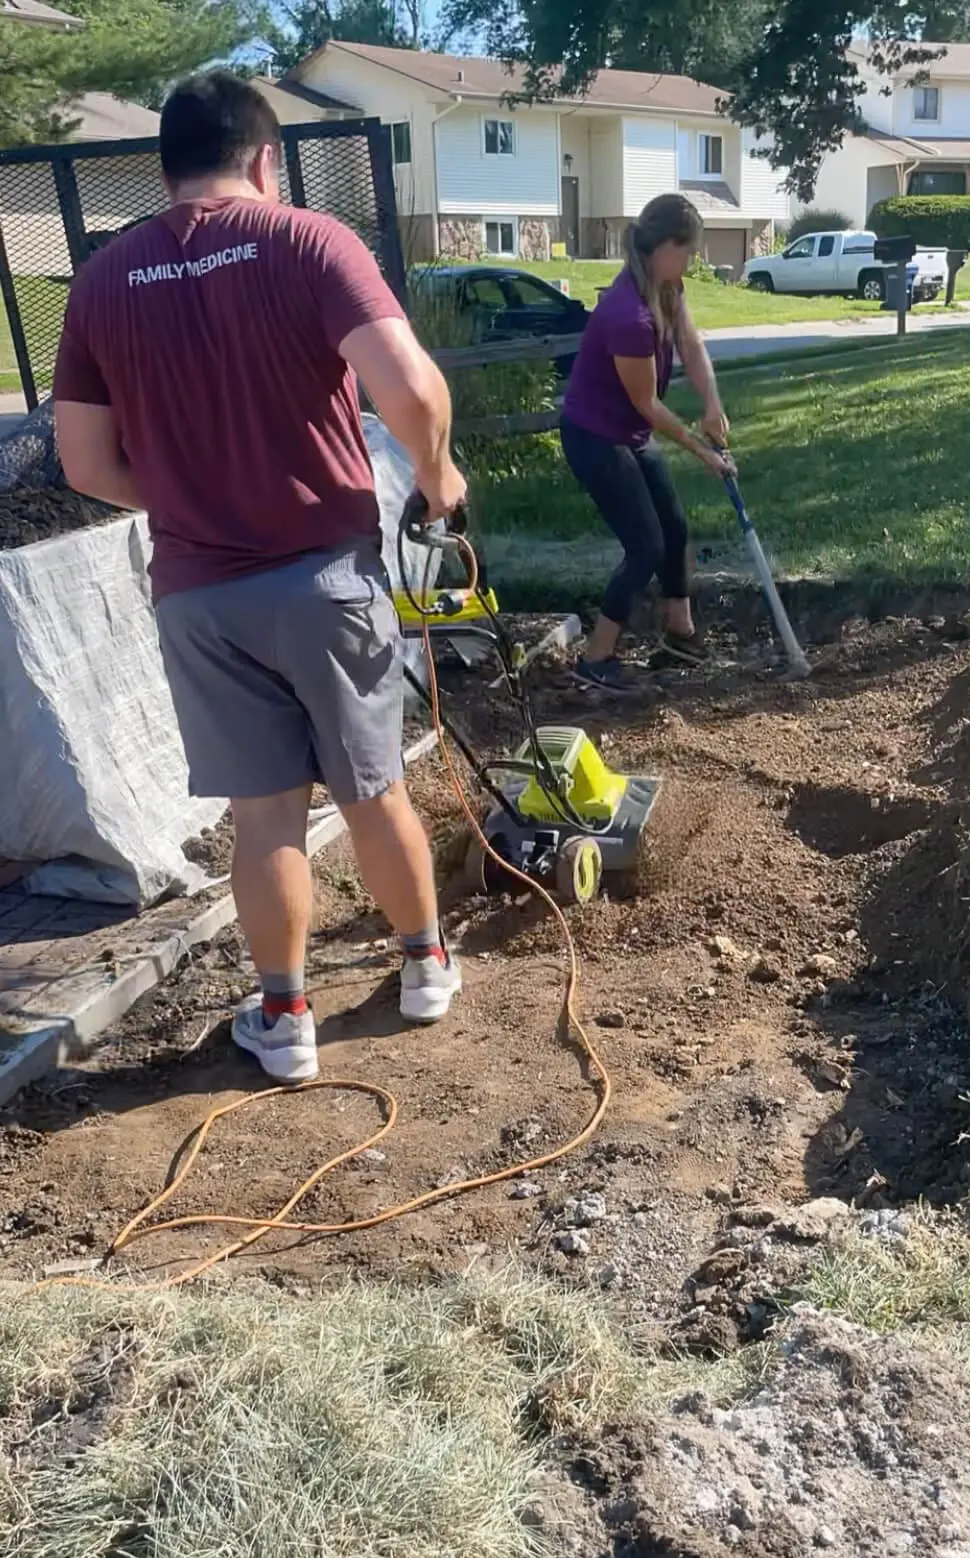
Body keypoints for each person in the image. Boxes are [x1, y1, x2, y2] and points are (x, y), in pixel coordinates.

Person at [53, 72, 467, 1086]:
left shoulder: (105, 279)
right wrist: (440, 475)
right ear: (266, 159)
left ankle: (284, 1020)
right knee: (372, 793)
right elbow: (408, 385)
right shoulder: (306, 241)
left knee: (265, 815)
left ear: (165, 170)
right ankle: (422, 971)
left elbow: (84, 467)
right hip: (323, 577)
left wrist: (193, 498)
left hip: (197, 595)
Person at [560, 194, 736, 691]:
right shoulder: (627, 315)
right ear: (664, 246)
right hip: (594, 436)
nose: (692, 261)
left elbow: (691, 344)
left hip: (628, 433)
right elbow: (648, 406)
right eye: (689, 250)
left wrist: (712, 404)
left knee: (674, 530)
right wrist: (701, 450)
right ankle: (596, 659)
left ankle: (679, 634)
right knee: (644, 547)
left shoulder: (668, 288)